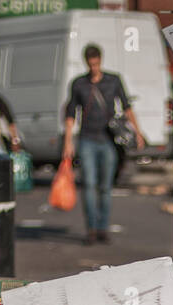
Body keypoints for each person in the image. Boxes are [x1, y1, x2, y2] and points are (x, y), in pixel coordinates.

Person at [61, 44, 145, 245]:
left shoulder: (113, 81)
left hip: (108, 140)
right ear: (86, 63)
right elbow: (71, 114)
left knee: (105, 187)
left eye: (96, 64)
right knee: (89, 185)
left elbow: (127, 108)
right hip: (87, 139)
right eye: (91, 65)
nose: (94, 68)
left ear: (101, 60)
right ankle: (91, 228)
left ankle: (102, 227)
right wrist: (68, 142)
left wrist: (138, 133)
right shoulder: (78, 84)